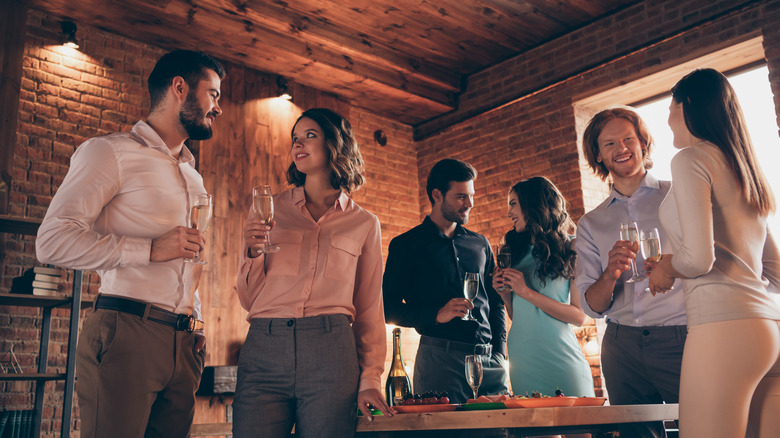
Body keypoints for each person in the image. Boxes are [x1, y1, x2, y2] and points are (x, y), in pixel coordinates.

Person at [36, 50, 225, 438]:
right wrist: (150, 249)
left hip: (185, 343)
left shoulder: (193, 177)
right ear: (179, 88)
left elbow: (189, 257)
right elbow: (51, 242)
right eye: (214, 94)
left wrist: (197, 323)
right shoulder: (109, 152)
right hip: (126, 330)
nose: (217, 107)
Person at [233, 108, 391, 438]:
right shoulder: (268, 208)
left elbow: (370, 309)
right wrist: (253, 252)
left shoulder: (364, 223)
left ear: (336, 144)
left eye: (310, 136)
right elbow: (249, 300)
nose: (298, 144)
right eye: (295, 139)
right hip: (264, 346)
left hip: (331, 352)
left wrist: (371, 379)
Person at [648, 68, 780, 438]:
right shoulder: (745, 167)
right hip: (768, 330)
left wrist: (666, 267)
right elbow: (775, 270)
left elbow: (697, 260)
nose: (668, 118)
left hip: (723, 329)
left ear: (686, 105)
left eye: (670, 107)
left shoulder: (691, 160)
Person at [576, 107, 687, 438]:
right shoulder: (591, 223)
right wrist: (610, 273)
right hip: (620, 345)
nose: (621, 148)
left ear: (643, 144)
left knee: (702, 426)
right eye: (609, 143)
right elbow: (591, 306)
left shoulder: (678, 194)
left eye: (628, 139)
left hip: (680, 337)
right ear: (598, 154)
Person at [383, 158, 509, 404]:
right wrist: (436, 314)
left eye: (471, 195)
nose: (469, 204)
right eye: (461, 197)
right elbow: (388, 309)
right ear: (437, 195)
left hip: (490, 362)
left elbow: (496, 303)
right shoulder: (406, 245)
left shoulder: (481, 244)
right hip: (440, 360)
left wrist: (500, 353)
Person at [493, 177, 594, 398]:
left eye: (513, 204)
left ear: (532, 205)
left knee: (579, 430)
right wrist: (505, 295)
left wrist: (526, 292)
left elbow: (578, 316)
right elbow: (516, 315)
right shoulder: (513, 251)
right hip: (523, 358)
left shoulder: (572, 246)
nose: (509, 213)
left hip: (561, 356)